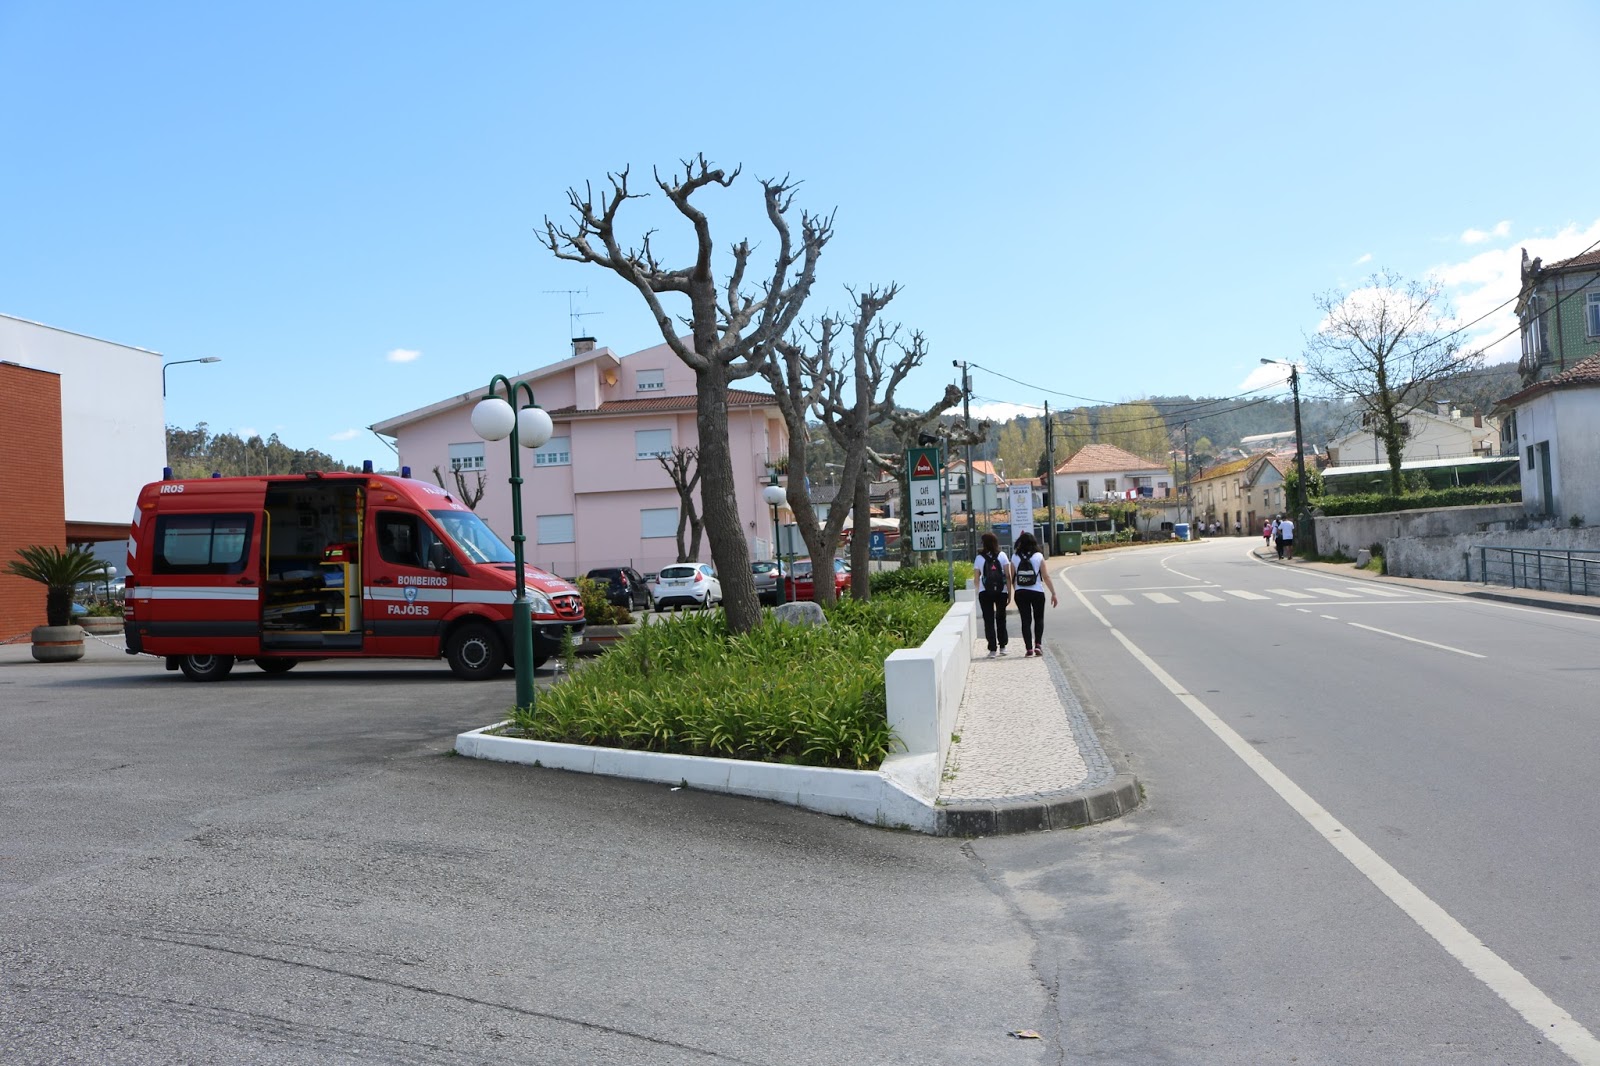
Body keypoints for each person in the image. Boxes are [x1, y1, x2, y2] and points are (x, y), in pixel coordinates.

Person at [1009, 531, 1058, 658]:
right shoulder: (1038, 556)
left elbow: (1012, 577)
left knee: (1025, 620)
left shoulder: (1014, 557)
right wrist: (1053, 593)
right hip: (1037, 592)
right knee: (1039, 619)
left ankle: (1029, 648)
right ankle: (1038, 645)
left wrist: (1015, 590)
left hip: (1021, 593)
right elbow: (1046, 576)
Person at [974, 532, 1011, 658]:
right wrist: (1009, 593)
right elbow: (1008, 576)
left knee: (988, 620)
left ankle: (992, 649)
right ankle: (1003, 647)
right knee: (1001, 618)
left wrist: (978, 591)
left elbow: (976, 578)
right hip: (1001, 591)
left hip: (985, 592)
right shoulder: (1002, 555)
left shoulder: (979, 558)